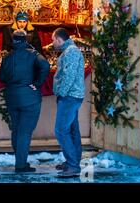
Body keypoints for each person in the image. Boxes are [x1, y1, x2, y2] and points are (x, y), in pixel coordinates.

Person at [0, 29, 50, 173]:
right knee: (25, 132)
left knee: (16, 129)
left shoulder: (7, 57)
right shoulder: (33, 54)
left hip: (12, 97)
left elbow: (1, 77)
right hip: (30, 98)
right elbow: (46, 66)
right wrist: (38, 83)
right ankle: (20, 165)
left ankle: (19, 160)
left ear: (13, 40)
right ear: (25, 39)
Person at [52, 28, 85, 178]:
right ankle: (74, 161)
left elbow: (69, 76)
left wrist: (62, 93)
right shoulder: (70, 51)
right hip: (72, 96)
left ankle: (73, 165)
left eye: (53, 40)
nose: (53, 43)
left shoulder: (71, 52)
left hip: (70, 97)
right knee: (72, 130)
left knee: (61, 130)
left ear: (59, 40)